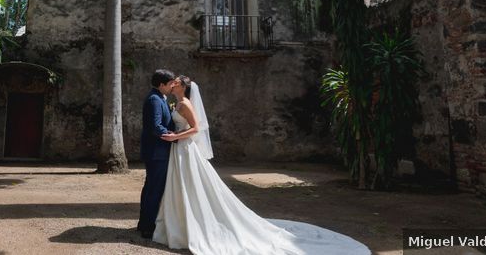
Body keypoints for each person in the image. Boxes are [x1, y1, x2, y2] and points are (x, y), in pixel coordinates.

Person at [152, 75, 370, 255]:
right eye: (172, 82)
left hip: (185, 148)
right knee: (181, 187)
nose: (173, 83)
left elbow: (196, 128)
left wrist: (176, 137)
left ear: (182, 86)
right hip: (180, 148)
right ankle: (180, 226)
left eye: (176, 82)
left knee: (191, 186)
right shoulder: (177, 102)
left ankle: (191, 226)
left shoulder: (185, 103)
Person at [137, 69, 177, 239]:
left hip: (156, 151)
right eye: (170, 84)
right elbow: (155, 126)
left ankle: (144, 223)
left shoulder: (159, 97)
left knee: (150, 188)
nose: (172, 87)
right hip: (157, 152)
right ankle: (147, 227)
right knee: (154, 190)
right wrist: (175, 138)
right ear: (161, 85)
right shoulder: (155, 99)